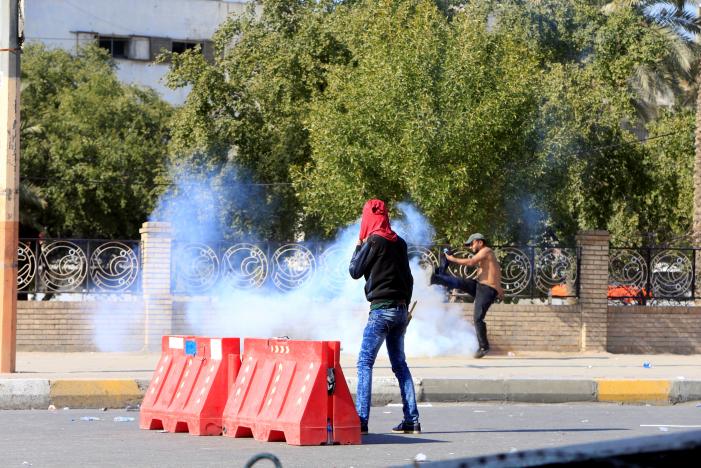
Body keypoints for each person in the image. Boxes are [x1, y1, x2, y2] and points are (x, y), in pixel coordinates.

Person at [349, 199, 420, 435]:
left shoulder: (374, 240)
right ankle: (412, 420)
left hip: (380, 310)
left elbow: (354, 271)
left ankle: (361, 420)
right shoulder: (399, 242)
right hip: (400, 310)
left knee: (364, 363)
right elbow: (409, 279)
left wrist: (358, 246)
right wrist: (405, 309)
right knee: (400, 365)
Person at [430, 233, 504, 358]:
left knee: (477, 318)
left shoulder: (487, 251)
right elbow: (494, 272)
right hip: (481, 287)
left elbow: (470, 262)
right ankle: (436, 278)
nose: (470, 247)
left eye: (472, 244)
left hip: (487, 290)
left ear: (480, 242)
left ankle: (484, 347)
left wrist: (452, 259)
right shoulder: (485, 258)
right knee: (460, 282)